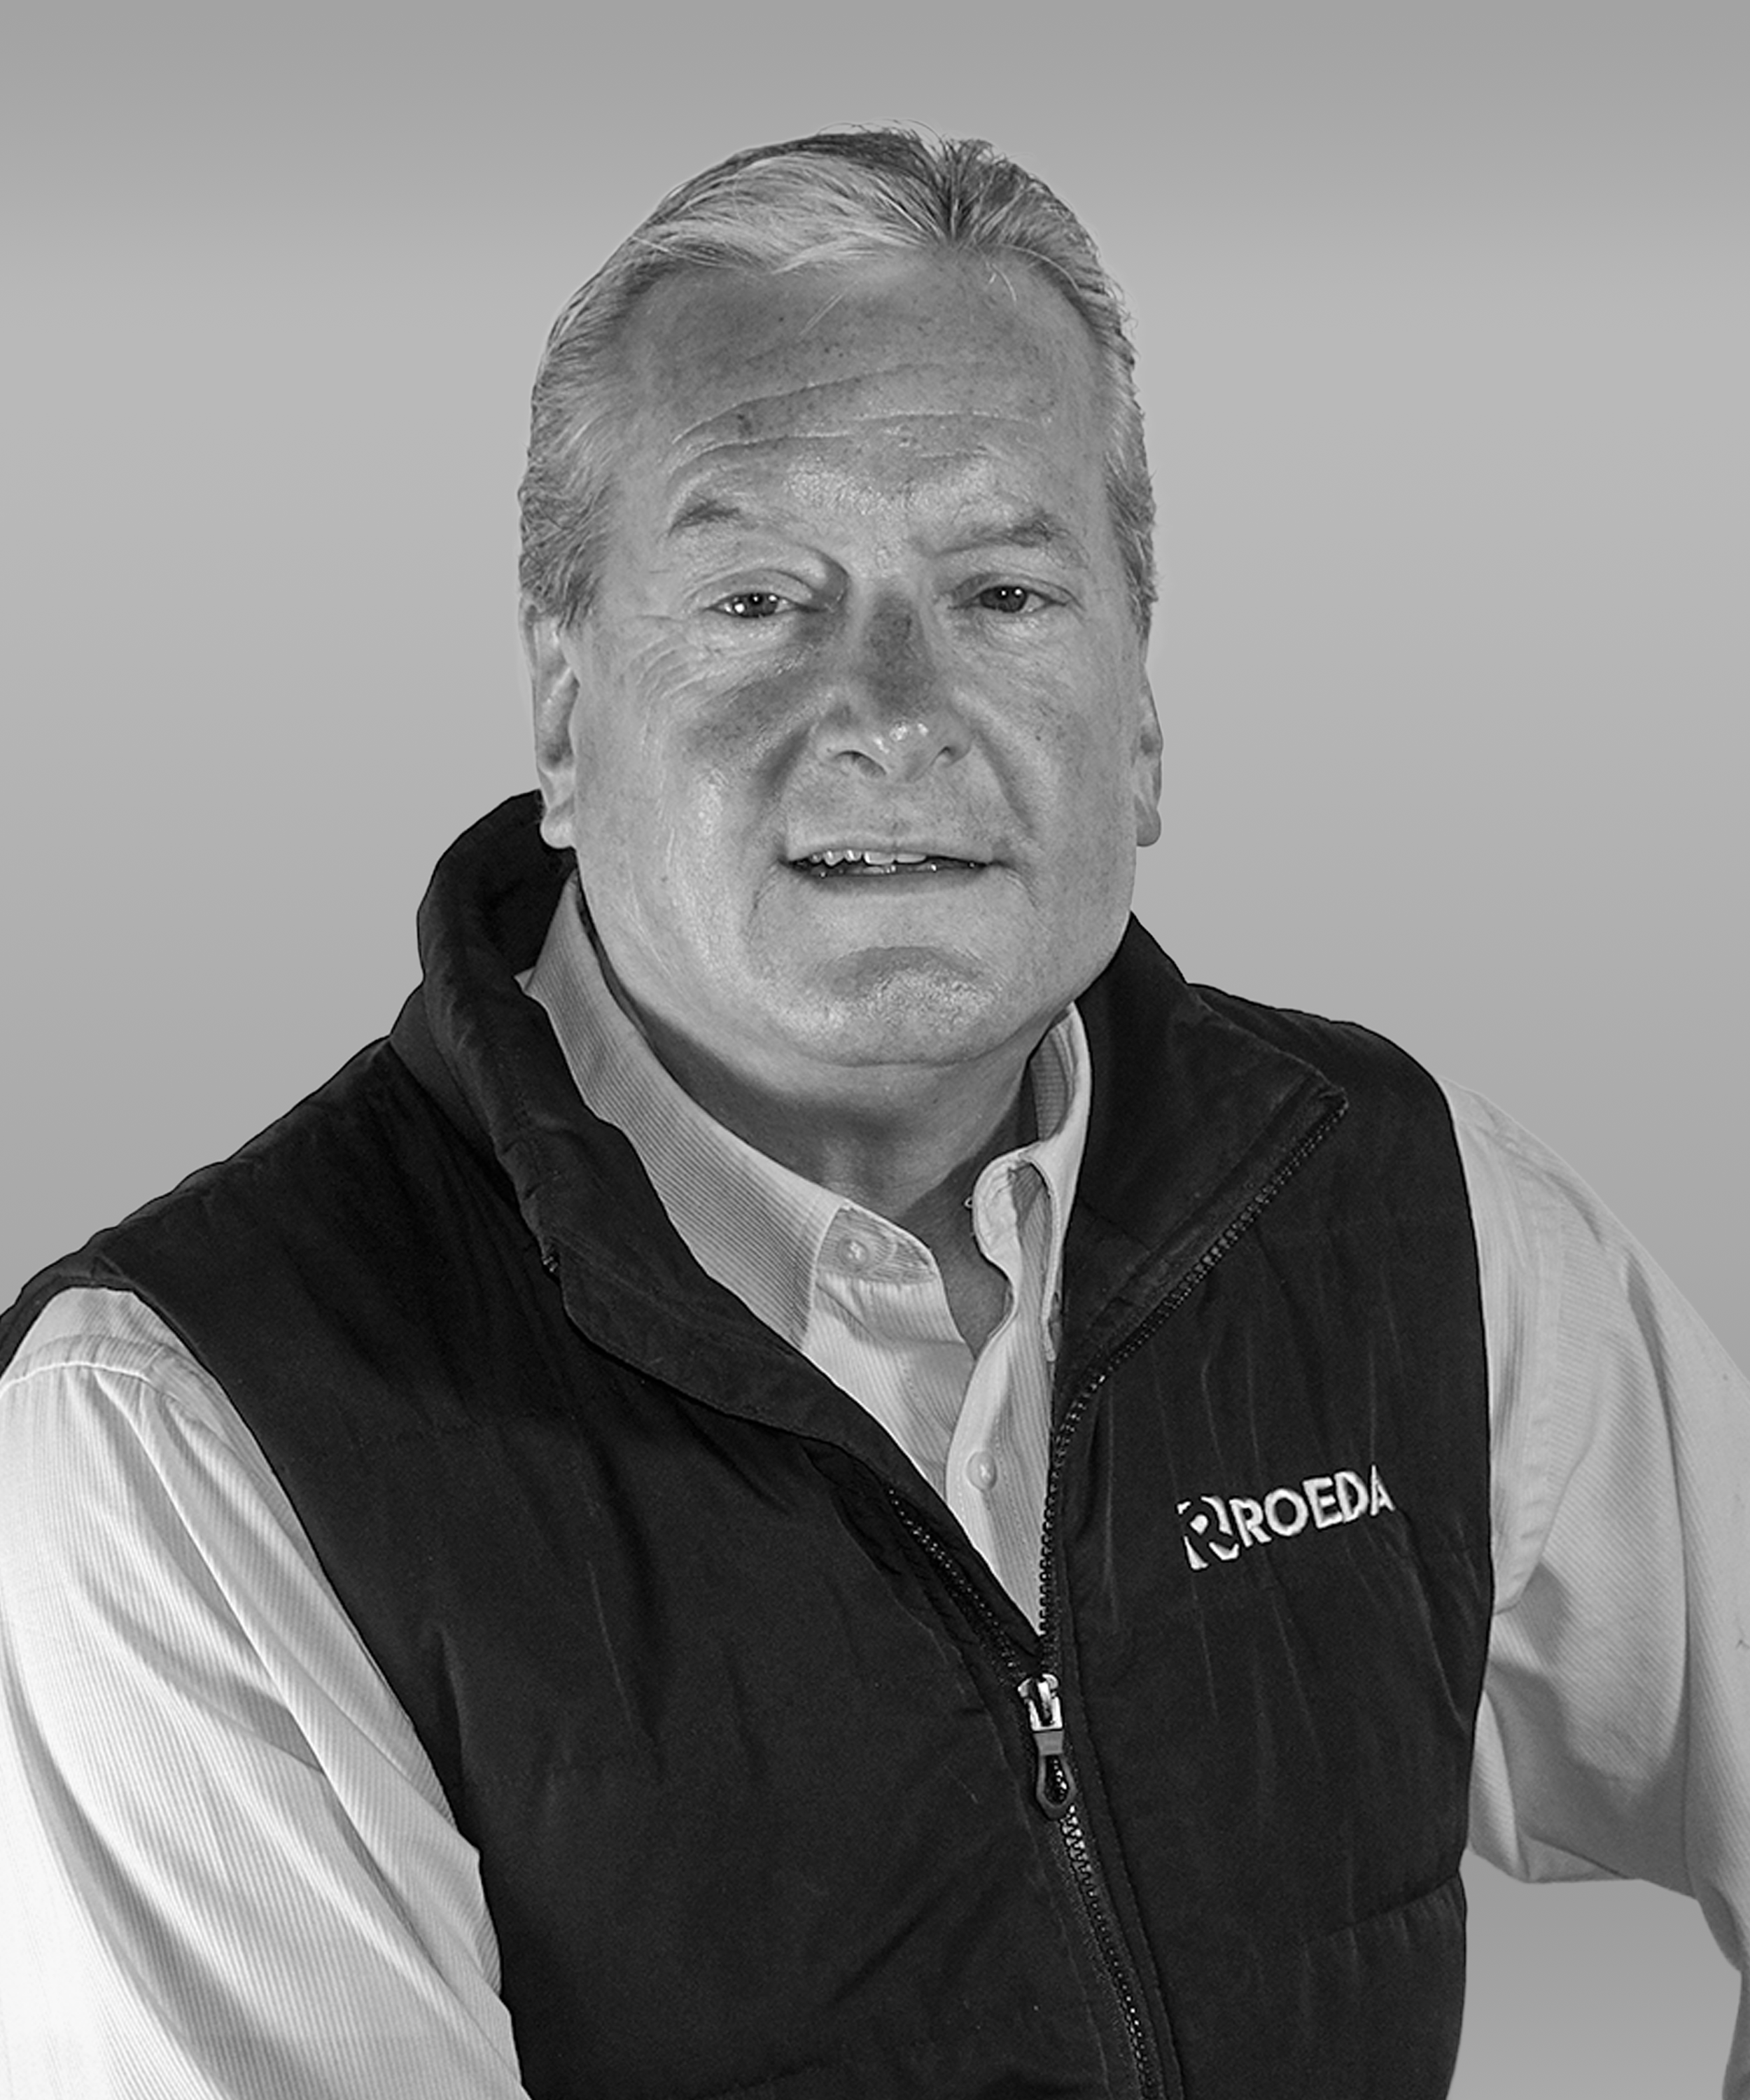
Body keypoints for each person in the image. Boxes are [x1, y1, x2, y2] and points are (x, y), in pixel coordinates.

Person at [1, 126, 1745, 2100]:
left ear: (1143, 714)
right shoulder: (185, 1428)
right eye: (756, 599)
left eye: (1003, 589)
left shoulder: (1407, 1214)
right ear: (564, 720)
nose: (893, 710)